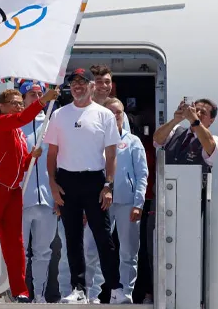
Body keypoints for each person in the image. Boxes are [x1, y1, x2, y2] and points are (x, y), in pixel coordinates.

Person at [42, 68, 129, 304]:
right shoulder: (59, 115)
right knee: (72, 238)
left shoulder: (104, 115)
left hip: (95, 181)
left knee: (103, 238)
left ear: (92, 86)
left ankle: (115, 288)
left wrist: (108, 185)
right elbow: (52, 153)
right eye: (74, 83)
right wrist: (52, 183)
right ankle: (77, 288)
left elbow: (111, 154)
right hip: (67, 181)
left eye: (82, 82)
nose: (77, 87)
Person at [0, 87, 59, 303]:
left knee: (15, 243)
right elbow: (21, 117)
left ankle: (20, 290)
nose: (19, 106)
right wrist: (43, 100)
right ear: (2, 106)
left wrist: (31, 157)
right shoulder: (1, 122)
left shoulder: (17, 132)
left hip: (11, 190)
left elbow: (19, 163)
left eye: (20, 102)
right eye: (14, 102)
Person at [147, 98, 218, 301]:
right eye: (195, 109)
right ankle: (156, 293)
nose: (196, 113)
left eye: (202, 113)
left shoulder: (212, 138)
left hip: (189, 205)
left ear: (211, 120)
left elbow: (210, 147)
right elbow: (157, 140)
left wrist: (195, 122)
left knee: (186, 251)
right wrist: (175, 120)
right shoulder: (176, 133)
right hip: (163, 200)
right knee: (156, 248)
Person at [86, 97, 148, 303]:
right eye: (109, 113)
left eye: (118, 113)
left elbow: (142, 175)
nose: (114, 116)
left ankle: (125, 294)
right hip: (100, 203)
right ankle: (92, 294)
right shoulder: (94, 140)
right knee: (94, 248)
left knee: (128, 251)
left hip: (127, 203)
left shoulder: (133, 141)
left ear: (123, 115)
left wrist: (138, 203)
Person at [18, 81, 57, 304]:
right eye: (31, 94)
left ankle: (39, 295)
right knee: (19, 252)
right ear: (24, 98)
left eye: (39, 94)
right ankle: (20, 293)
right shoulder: (15, 125)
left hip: (47, 200)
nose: (36, 97)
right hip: (21, 199)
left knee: (43, 252)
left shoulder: (51, 125)